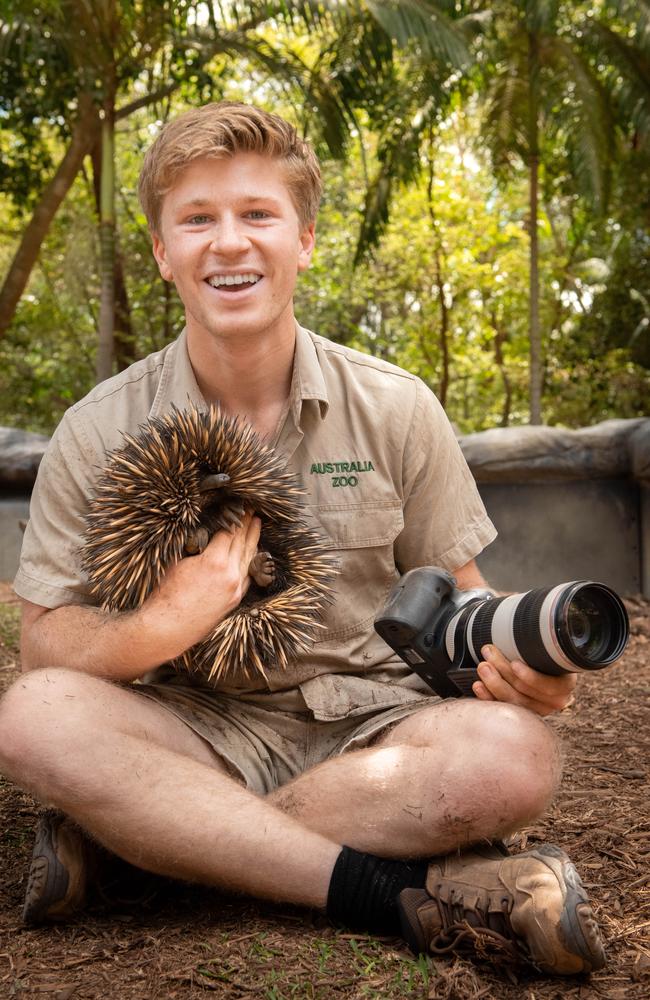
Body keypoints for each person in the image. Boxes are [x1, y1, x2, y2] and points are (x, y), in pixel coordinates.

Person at [0, 102, 604, 975]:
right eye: (198, 219)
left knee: (515, 758)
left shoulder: (395, 407)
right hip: (190, 722)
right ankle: (371, 883)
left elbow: (464, 592)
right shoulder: (99, 431)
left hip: (378, 727)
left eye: (257, 215)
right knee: (32, 720)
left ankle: (148, 845)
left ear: (304, 240)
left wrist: (516, 666)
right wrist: (164, 621)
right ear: (164, 251)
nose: (230, 243)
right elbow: (45, 647)